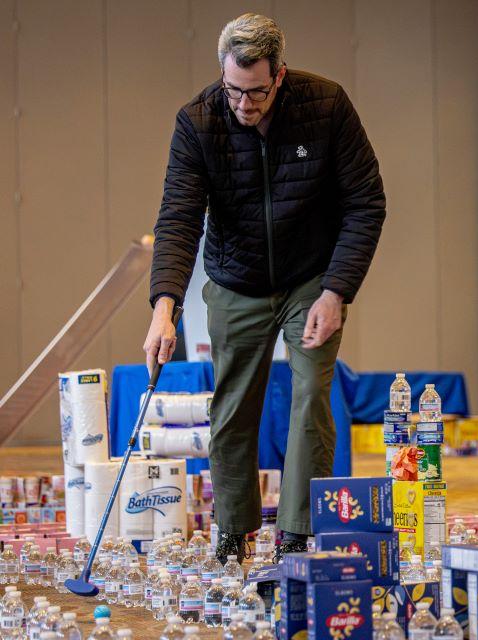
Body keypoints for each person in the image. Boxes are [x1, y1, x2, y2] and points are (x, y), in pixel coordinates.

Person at [144, 13, 386, 563]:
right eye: (233, 90)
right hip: (236, 279)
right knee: (232, 408)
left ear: (279, 75)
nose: (244, 105)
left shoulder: (325, 106)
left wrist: (336, 291)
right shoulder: (199, 121)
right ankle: (233, 534)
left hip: (311, 279)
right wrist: (165, 308)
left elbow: (366, 203)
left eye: (255, 93)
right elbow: (179, 218)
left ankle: (298, 533)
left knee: (310, 396)